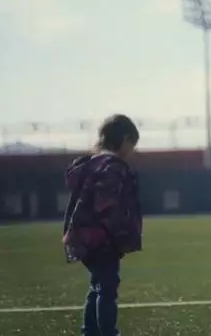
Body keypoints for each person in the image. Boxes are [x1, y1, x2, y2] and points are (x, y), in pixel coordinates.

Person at [62, 114, 143, 335]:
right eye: (131, 145)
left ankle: (90, 331)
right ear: (124, 139)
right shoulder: (113, 167)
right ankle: (107, 332)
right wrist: (120, 235)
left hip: (83, 236)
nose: (131, 151)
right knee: (107, 288)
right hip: (102, 237)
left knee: (97, 285)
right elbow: (109, 205)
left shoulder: (90, 164)